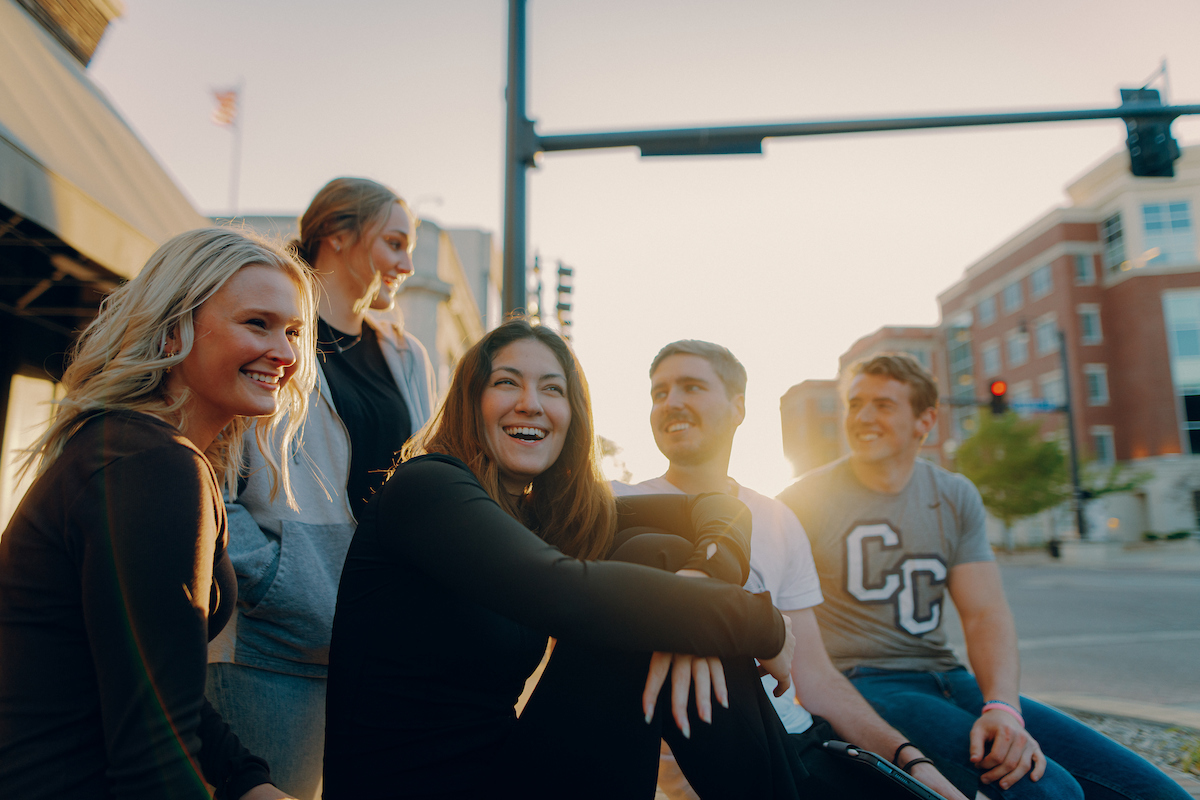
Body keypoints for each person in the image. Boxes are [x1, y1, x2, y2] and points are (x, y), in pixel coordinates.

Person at [323, 319, 804, 799]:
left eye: (552, 388)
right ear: (472, 402)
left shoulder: (542, 517)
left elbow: (717, 508)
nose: (531, 403)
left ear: (573, 414)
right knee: (654, 585)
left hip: (505, 774)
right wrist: (763, 623)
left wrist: (701, 580)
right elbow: (567, 592)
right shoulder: (426, 488)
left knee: (658, 554)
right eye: (507, 382)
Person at [778, 353, 1190, 800]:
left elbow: (984, 613)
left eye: (883, 404)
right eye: (855, 404)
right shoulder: (804, 501)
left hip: (948, 676)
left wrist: (1002, 707)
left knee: (1155, 792)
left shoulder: (954, 493)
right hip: (866, 683)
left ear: (925, 419)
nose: (863, 417)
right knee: (1048, 791)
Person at [0, 228, 317, 799]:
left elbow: (155, 684)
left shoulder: (129, 448)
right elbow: (152, 755)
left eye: (293, 332)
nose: (288, 353)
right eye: (258, 323)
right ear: (176, 327)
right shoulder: (154, 466)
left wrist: (250, 784)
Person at [614, 340, 967, 800]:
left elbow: (817, 679)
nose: (671, 402)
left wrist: (911, 761)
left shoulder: (778, 517)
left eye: (691, 386)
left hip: (807, 743)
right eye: (658, 393)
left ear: (738, 406)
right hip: (727, 765)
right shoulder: (620, 503)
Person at [206, 178, 436, 799]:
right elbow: (214, 472)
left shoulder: (407, 355)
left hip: (373, 642)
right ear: (336, 234)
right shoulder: (275, 335)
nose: (407, 264)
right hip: (270, 647)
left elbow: (422, 475)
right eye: (394, 242)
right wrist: (276, 577)